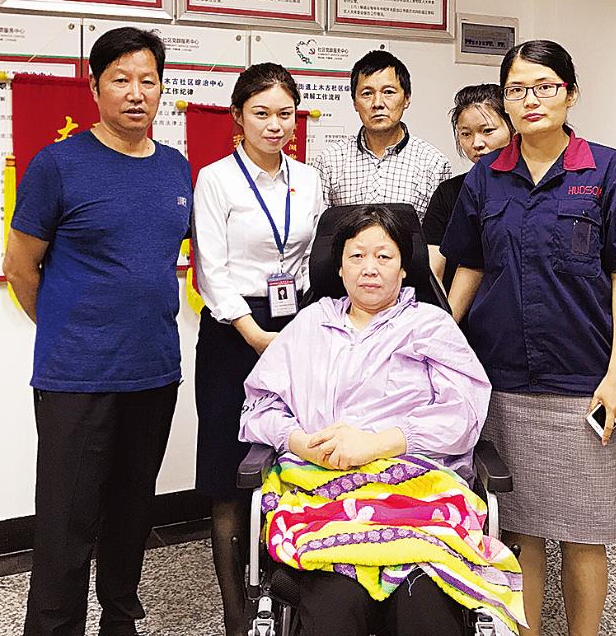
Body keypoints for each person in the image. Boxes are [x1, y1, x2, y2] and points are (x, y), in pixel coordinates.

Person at [440, 40, 616, 636]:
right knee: (520, 532)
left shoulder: (606, 170)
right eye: (516, 90)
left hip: (585, 379)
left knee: (586, 534)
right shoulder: (487, 176)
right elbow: (469, 267)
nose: (530, 99)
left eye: (544, 86)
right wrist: (438, 341)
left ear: (570, 93)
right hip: (504, 377)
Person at [240, 204, 521, 636]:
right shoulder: (308, 325)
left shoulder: (431, 325)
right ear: (339, 266)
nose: (369, 268)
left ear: (405, 268)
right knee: (334, 610)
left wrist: (377, 443)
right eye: (357, 256)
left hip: (418, 499)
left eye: (384, 256)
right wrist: (297, 441)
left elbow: (464, 415)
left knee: (424, 611)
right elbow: (260, 406)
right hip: (326, 501)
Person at [4, 27, 191, 636]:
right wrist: (69, 327)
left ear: (161, 89)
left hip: (154, 371)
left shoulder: (175, 168)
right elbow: (20, 267)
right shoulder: (58, 164)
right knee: (66, 525)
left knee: (131, 515)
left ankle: (119, 621)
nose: (136, 93)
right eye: (121, 80)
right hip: (76, 377)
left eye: (148, 81)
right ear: (95, 87)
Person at [191, 63, 323, 636]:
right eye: (261, 113)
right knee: (228, 469)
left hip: (295, 323)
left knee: (296, 456)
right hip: (233, 332)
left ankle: (291, 594)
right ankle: (235, 612)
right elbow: (210, 269)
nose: (275, 125)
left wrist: (306, 326)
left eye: (285, 114)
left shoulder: (309, 179)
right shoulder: (216, 179)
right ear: (238, 117)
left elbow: (314, 260)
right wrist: (254, 334)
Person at [313, 50, 452, 222]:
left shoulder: (434, 164)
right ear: (355, 103)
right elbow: (319, 231)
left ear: (407, 99)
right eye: (367, 93)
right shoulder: (329, 162)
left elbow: (437, 235)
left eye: (388, 92)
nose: (377, 103)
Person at [423, 84, 513, 291]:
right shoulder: (448, 192)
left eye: (487, 131)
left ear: (513, 127)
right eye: (466, 134)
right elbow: (433, 269)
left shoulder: (528, 187)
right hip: (455, 307)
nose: (476, 143)